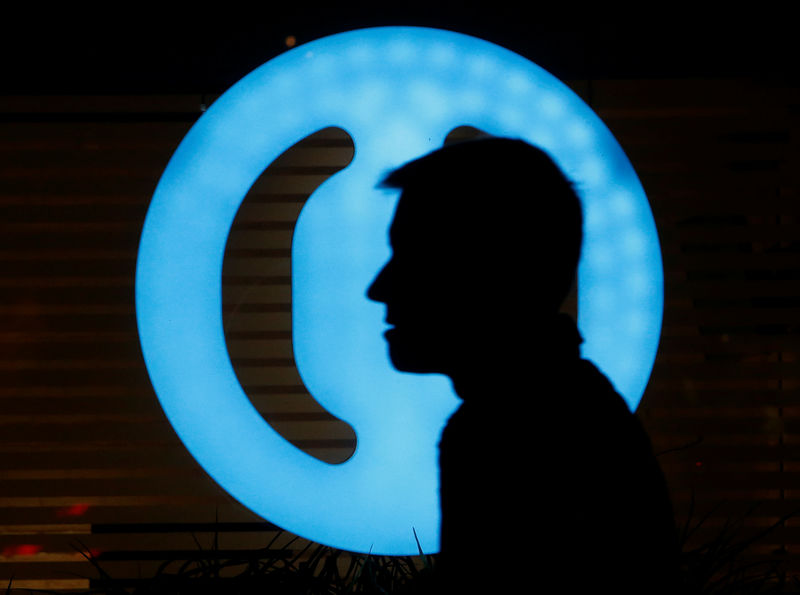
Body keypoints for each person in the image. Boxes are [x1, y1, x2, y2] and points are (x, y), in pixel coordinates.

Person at [367, 137, 679, 593]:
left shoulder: (502, 430)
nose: (379, 287)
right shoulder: (570, 410)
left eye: (413, 257)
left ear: (483, 272)